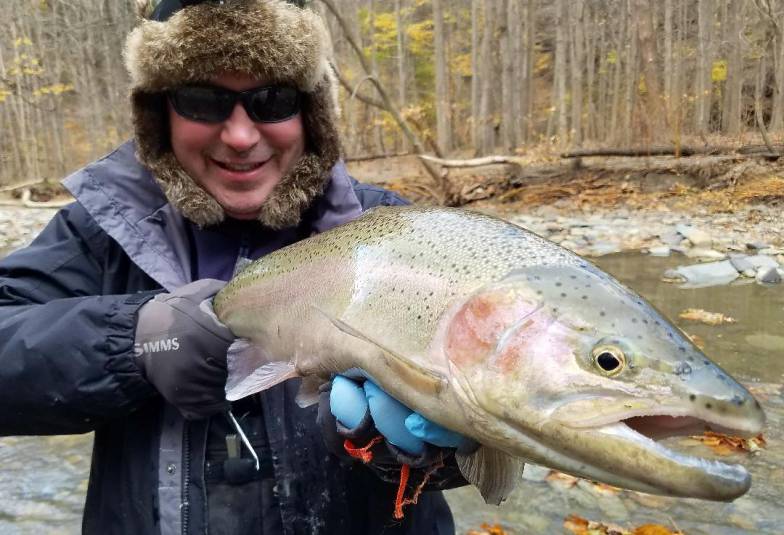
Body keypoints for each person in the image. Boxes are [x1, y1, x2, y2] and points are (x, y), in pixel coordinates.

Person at [0, 0, 470, 534]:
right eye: (204, 101)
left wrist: (429, 448)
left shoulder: (393, 232)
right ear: (161, 114)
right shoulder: (100, 230)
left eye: (273, 100)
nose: (242, 136)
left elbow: (494, 421)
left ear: (310, 113)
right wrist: (132, 341)